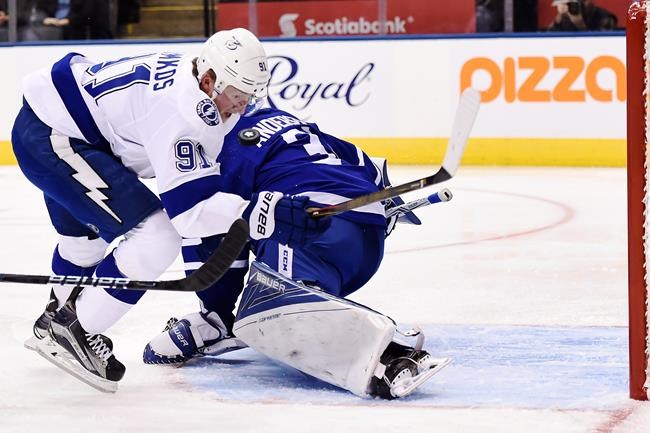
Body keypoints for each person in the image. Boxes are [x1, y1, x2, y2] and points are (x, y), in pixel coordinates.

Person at [12, 28, 328, 388]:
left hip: (56, 127)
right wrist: (263, 212)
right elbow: (190, 215)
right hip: (56, 140)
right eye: (238, 95)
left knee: (85, 242)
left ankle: (54, 318)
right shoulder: (184, 114)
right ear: (209, 80)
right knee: (157, 238)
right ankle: (74, 329)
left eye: (250, 95)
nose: (243, 105)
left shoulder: (197, 80)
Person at [142, 106, 450, 399]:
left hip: (311, 234)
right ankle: (313, 296)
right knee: (280, 274)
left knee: (266, 311)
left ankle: (389, 357)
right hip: (367, 244)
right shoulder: (282, 119)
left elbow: (212, 232)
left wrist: (216, 310)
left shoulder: (217, 150)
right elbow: (364, 162)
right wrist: (384, 206)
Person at [547, 0, 617, 32]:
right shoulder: (565, 18)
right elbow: (548, 41)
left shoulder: (605, 18)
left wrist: (580, 25)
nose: (580, 5)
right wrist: (558, 20)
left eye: (583, 1)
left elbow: (604, 45)